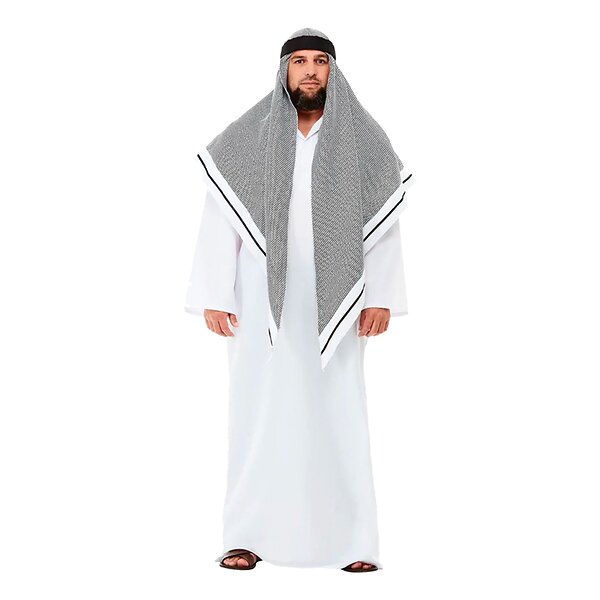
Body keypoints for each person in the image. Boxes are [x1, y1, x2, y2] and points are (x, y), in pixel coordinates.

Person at [185, 28, 414, 572]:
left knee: (341, 413)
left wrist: (380, 296)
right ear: (284, 70)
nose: (310, 70)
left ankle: (353, 544)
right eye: (299, 61)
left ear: (334, 71)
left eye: (320, 61)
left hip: (339, 299)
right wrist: (215, 293)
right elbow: (221, 215)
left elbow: (383, 226)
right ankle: (245, 536)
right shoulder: (250, 136)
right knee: (256, 413)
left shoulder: (363, 140)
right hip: (260, 302)